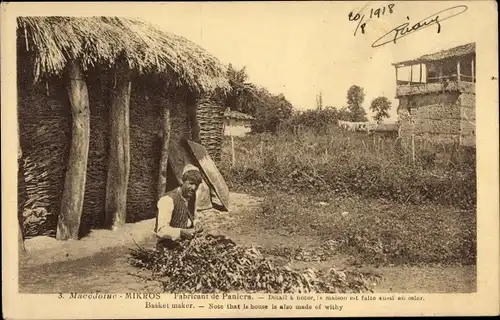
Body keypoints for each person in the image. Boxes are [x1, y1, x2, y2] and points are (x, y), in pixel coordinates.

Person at [154, 164, 204, 250]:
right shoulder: (168, 200)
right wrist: (181, 232)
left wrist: (197, 223)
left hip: (185, 244)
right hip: (169, 247)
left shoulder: (191, 197)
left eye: (196, 185)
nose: (194, 188)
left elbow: (193, 216)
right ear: (182, 181)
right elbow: (161, 231)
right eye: (191, 183)